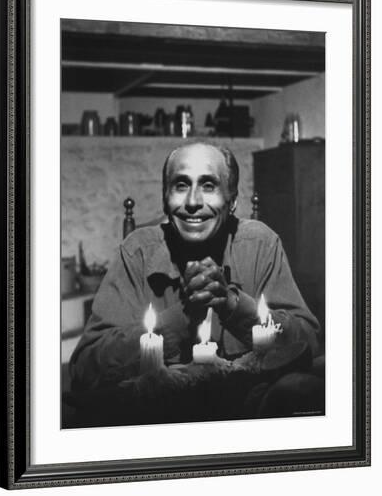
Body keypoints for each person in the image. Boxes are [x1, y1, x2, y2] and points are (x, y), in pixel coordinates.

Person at [69, 142, 321, 391]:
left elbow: (309, 342)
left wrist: (233, 305)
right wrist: (179, 319)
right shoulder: (138, 253)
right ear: (165, 199)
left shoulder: (260, 245)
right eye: (181, 185)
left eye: (208, 185)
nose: (192, 201)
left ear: (232, 201)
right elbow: (85, 366)